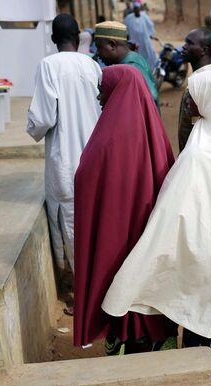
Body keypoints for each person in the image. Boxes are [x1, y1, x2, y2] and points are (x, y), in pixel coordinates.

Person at [101, 69, 211, 386]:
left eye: (191, 97)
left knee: (205, 303)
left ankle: (208, 373)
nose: (187, 103)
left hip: (210, 248)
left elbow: (176, 199)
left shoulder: (202, 147)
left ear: (206, 100)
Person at [74, 65, 177, 354]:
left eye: (102, 88)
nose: (98, 95)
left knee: (118, 276)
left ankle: (124, 334)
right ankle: (152, 334)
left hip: (116, 230)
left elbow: (86, 175)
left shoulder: (109, 135)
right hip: (147, 226)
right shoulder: (153, 129)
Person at [27, 14, 101, 315]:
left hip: (66, 161)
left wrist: (31, 127)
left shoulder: (49, 66)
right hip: (93, 158)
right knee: (94, 224)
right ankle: (100, 292)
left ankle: (84, 299)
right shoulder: (92, 65)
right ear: (78, 36)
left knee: (72, 230)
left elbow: (43, 118)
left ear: (54, 39)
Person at [94, 21, 159, 108]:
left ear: (112, 45)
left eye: (99, 47)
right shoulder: (126, 63)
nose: (97, 53)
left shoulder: (132, 65)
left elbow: (149, 98)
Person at [178, 28, 211, 152]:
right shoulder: (197, 80)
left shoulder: (206, 84)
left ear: (203, 50)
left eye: (190, 43)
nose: (184, 47)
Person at [123, 1, 158, 69]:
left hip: (145, 42)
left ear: (140, 8)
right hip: (134, 43)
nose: (136, 10)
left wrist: (150, 35)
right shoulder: (129, 18)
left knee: (148, 56)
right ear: (133, 9)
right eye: (135, 8)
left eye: (137, 8)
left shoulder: (145, 17)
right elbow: (125, 29)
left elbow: (150, 27)